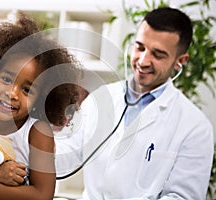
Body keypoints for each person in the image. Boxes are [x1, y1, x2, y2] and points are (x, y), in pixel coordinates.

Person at [54, 7, 214, 199]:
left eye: (158, 54)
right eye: (140, 47)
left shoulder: (195, 127)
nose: (143, 60)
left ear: (180, 61)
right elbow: (65, 154)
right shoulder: (102, 97)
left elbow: (182, 197)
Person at [0, 12, 84, 200]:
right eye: (6, 79)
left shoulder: (37, 132)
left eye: (27, 90)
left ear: (40, 98)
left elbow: (43, 195)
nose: (12, 93)